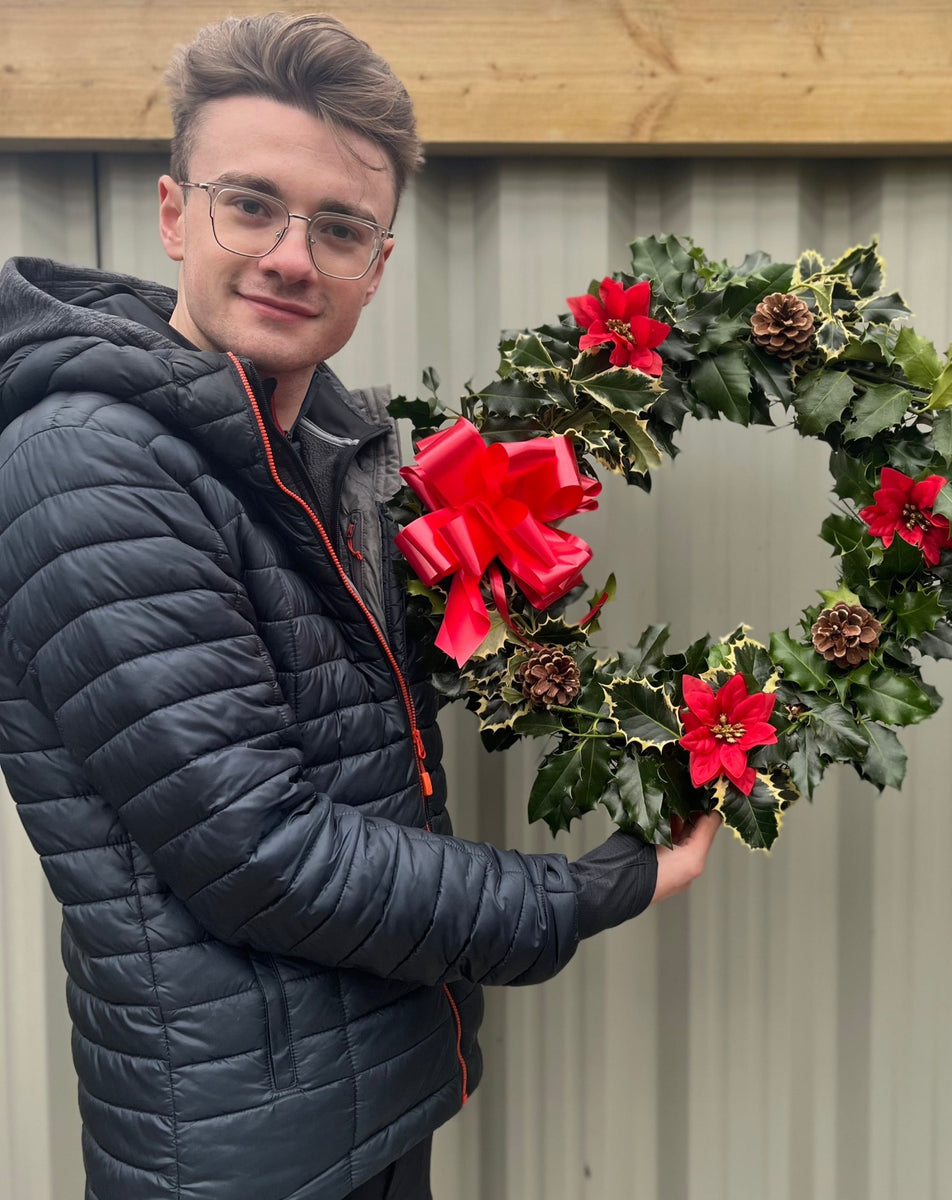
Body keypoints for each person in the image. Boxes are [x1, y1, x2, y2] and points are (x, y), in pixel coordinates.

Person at [0, 13, 720, 1200]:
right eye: (252, 204)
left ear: (374, 267)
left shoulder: (325, 455)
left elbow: (343, 718)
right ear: (177, 214)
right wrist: (589, 890)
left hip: (363, 1098)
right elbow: (260, 850)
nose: (293, 254)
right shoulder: (92, 466)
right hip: (245, 1152)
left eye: (338, 226)